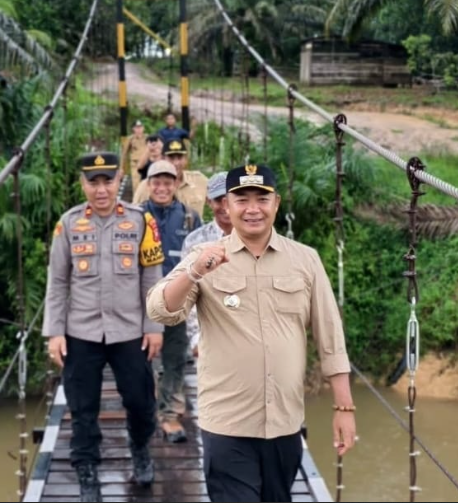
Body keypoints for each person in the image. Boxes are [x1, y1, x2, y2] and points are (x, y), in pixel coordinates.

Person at [146, 164, 357, 503]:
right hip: (227, 424)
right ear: (226, 206)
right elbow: (160, 309)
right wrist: (195, 272)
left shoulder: (305, 260)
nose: (252, 208)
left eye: (262, 198)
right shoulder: (205, 257)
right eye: (241, 199)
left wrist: (344, 409)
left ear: (277, 203)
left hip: (285, 423)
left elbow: (330, 337)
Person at [42, 151, 166, 502]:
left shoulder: (141, 221)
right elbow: (58, 282)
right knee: (82, 409)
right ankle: (86, 469)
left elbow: (152, 278)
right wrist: (55, 332)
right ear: (82, 183)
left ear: (119, 180)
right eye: (92, 182)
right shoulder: (67, 225)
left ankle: (140, 447)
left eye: (107, 181)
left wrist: (153, 325)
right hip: (81, 333)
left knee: (141, 403)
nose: (100, 190)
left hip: (130, 332)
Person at [141, 159, 202, 443]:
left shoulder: (190, 218)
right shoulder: (136, 216)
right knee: (145, 359)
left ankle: (170, 415)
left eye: (168, 182)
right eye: (157, 182)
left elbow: (201, 261)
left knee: (175, 360)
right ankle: (146, 409)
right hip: (142, 304)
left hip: (178, 302)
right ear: (149, 185)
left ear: (176, 184)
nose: (162, 188)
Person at [181, 171, 231, 358]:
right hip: (209, 332)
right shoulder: (194, 241)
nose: (225, 207)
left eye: (231, 199)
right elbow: (188, 290)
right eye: (219, 200)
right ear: (209, 202)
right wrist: (196, 338)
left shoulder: (256, 239)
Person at [132, 139, 208, 217]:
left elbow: (217, 200)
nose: (176, 163)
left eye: (179, 157)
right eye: (171, 158)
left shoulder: (199, 180)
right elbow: (134, 215)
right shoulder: (147, 185)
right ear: (162, 158)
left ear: (185, 159)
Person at [121, 119, 149, 194]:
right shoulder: (130, 139)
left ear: (143, 128)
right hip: (135, 164)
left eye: (140, 127)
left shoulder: (148, 138)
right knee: (136, 185)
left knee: (148, 183)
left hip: (147, 163)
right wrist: (122, 168)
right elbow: (124, 154)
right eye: (137, 127)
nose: (139, 129)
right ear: (133, 129)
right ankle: (136, 203)